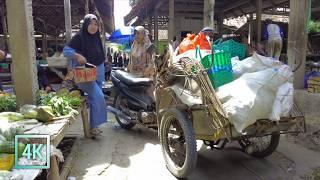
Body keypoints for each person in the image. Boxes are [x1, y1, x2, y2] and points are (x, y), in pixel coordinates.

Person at [63, 14, 107, 136]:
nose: (93, 27)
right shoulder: (79, 37)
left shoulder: (97, 37)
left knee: (94, 99)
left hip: (97, 72)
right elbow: (66, 51)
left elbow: (99, 55)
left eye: (96, 24)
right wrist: (77, 56)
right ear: (86, 24)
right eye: (91, 24)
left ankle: (93, 127)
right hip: (84, 74)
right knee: (99, 97)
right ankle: (93, 127)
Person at [128, 26, 155, 97]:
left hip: (145, 76)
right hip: (134, 75)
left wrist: (146, 71)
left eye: (138, 33)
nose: (136, 36)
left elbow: (152, 62)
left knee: (146, 96)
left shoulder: (149, 46)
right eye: (135, 34)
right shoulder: (133, 45)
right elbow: (130, 60)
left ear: (143, 34)